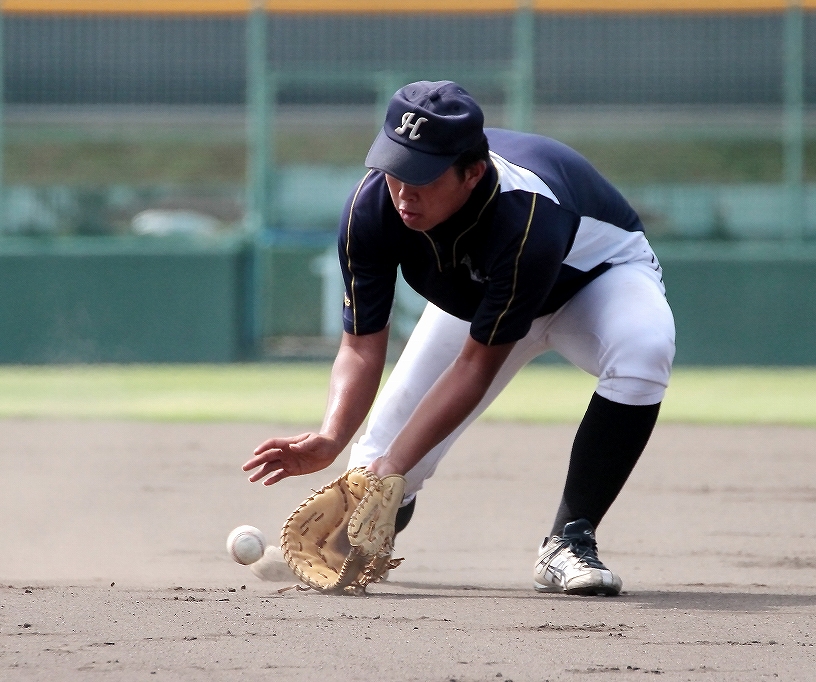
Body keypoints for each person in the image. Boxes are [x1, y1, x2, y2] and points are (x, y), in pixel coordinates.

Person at [242, 81, 675, 596]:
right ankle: (342, 544)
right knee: (371, 471)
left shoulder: (527, 217)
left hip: (593, 283)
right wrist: (334, 438)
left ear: (473, 172)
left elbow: (474, 368)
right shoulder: (373, 207)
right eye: (395, 166)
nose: (404, 190)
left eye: (422, 176)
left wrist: (394, 468)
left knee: (643, 349)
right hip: (483, 303)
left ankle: (569, 539)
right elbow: (360, 345)